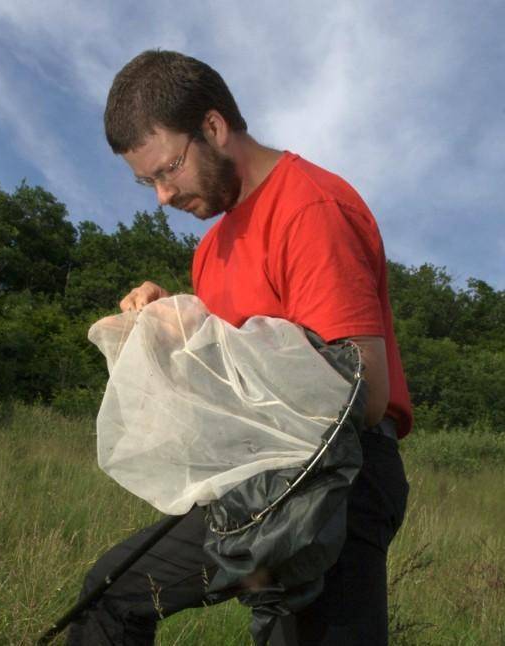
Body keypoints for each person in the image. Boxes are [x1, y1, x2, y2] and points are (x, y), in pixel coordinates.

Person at [68, 49, 411, 646]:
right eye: (146, 181)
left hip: (339, 482)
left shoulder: (310, 207)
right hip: (256, 478)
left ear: (214, 127)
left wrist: (206, 337)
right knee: (112, 595)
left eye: (167, 169)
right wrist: (173, 326)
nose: (162, 197)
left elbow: (365, 391)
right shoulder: (212, 250)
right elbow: (237, 374)